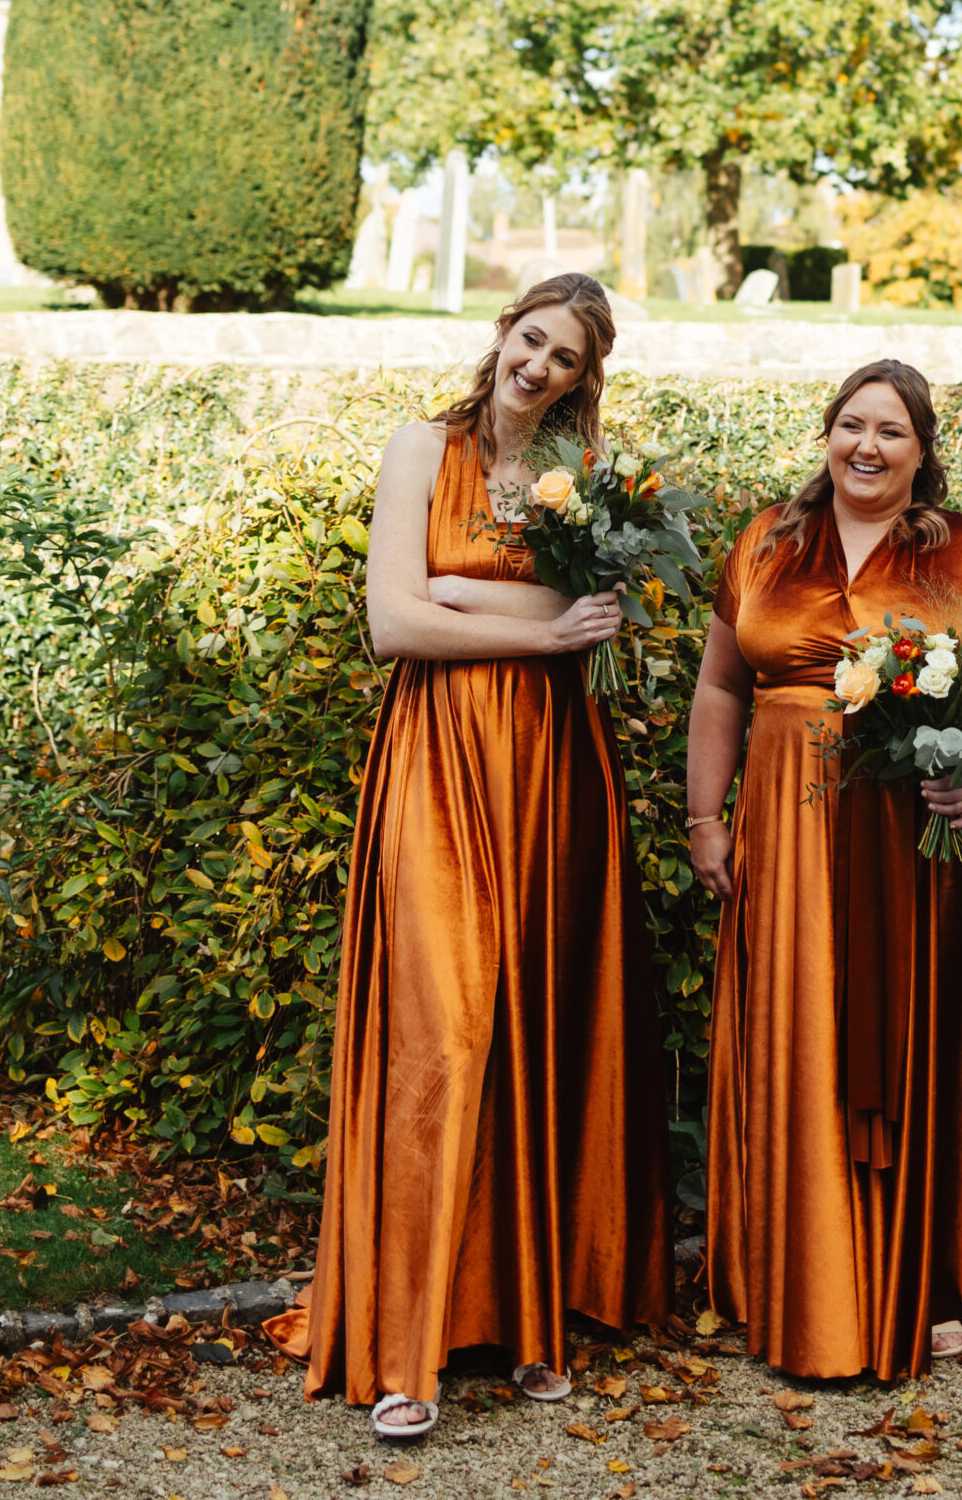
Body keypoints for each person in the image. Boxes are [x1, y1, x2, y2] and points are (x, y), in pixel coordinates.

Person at [267, 275, 671, 1434]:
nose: (539, 366)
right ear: (503, 335)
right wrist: (529, 624)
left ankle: (531, 1315)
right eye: (531, 340)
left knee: (535, 1024)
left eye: (566, 358)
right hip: (440, 767)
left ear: (584, 379)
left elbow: (591, 610)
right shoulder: (419, 449)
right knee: (442, 1030)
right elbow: (392, 621)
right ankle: (407, 1348)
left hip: (552, 771)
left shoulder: (583, 483)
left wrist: (462, 591)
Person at [687, 360, 962, 1380]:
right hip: (784, 832)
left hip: (914, 831)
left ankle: (921, 1274)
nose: (868, 446)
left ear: (923, 453)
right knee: (794, 1031)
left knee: (911, 1035)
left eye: (892, 430)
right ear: (826, 433)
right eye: (852, 425)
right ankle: (788, 1268)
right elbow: (719, 688)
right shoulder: (765, 543)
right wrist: (704, 815)